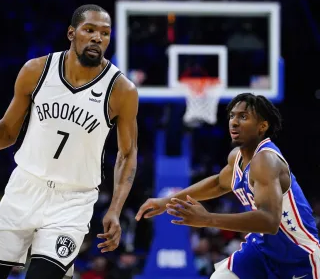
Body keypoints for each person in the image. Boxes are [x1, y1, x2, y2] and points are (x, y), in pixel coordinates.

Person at [0, 4, 139, 279]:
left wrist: (115, 209)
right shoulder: (36, 71)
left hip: (72, 201)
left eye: (105, 33)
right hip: (24, 189)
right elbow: (6, 131)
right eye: (90, 30)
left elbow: (127, 154)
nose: (98, 38)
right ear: (72, 33)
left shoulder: (122, 90)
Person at [136, 93, 320, 279]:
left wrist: (207, 219)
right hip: (261, 250)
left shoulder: (266, 160)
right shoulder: (237, 157)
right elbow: (218, 183)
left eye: (244, 117)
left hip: (299, 255)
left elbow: (269, 221)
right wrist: (166, 201)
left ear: (262, 126)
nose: (234, 122)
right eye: (232, 116)